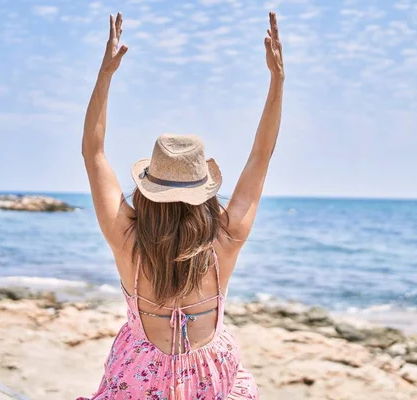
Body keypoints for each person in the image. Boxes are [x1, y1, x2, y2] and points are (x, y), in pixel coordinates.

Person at [79, 10, 284, 400]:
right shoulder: (225, 237)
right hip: (212, 376)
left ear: (147, 189)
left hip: (138, 375)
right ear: (203, 193)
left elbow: (94, 152)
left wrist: (104, 76)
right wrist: (277, 82)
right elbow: (262, 155)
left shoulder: (127, 239)